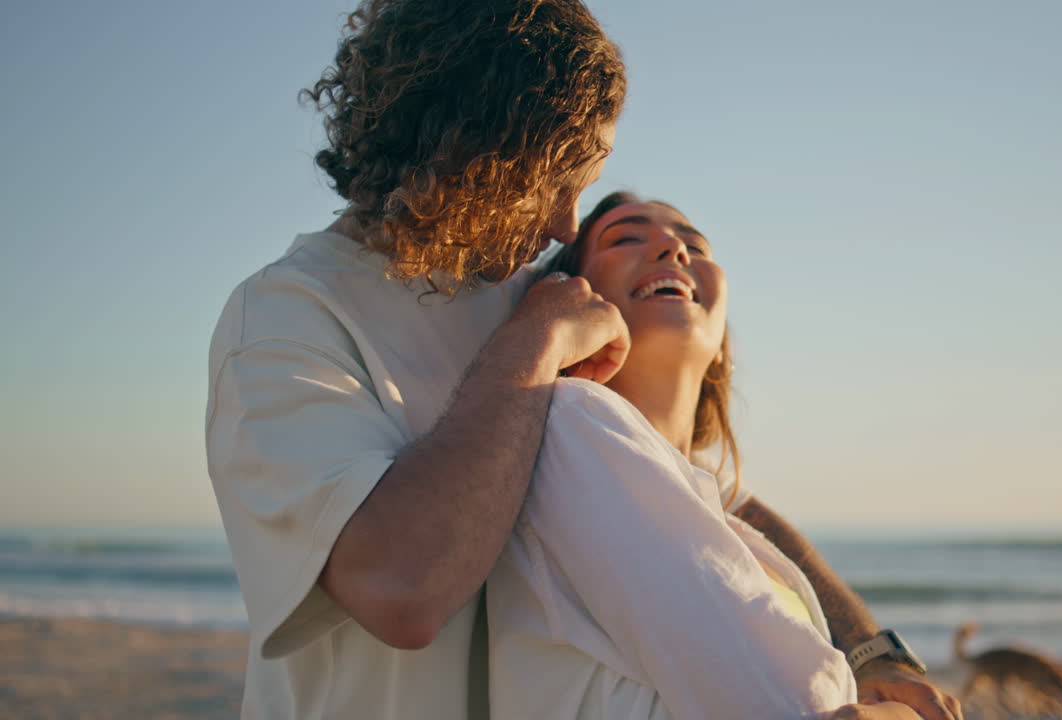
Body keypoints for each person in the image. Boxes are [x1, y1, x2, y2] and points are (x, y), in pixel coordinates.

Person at [205, 1, 959, 718]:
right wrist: (532, 345)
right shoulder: (284, 321)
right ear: (471, 145)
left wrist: (868, 648)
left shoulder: (525, 282)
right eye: (554, 180)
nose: (567, 220)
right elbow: (401, 587)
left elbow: (712, 500)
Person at [487, 193, 962, 719]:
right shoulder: (577, 424)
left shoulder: (714, 508)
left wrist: (876, 659)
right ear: (573, 296)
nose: (673, 248)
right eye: (626, 237)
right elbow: (794, 704)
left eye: (695, 243)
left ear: (721, 344)